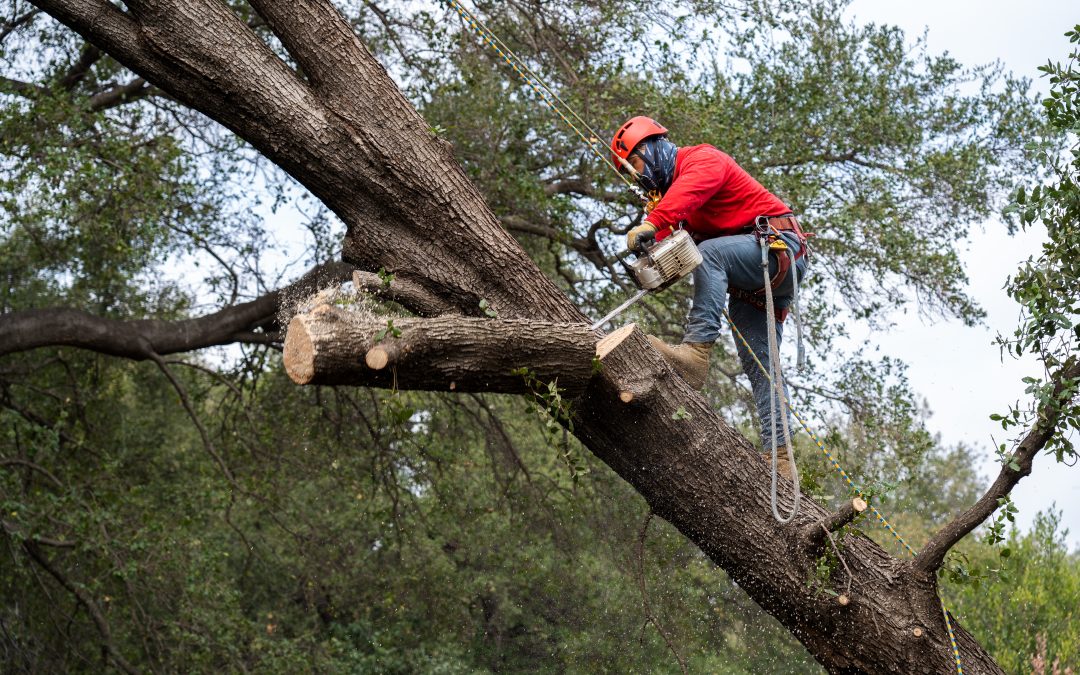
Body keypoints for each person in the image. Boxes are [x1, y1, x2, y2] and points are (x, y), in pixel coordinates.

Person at [610, 116, 809, 461]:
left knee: (710, 253)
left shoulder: (702, 159)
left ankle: (696, 355)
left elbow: (688, 195)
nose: (637, 176)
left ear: (650, 148)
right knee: (761, 365)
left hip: (779, 251)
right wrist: (646, 257)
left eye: (636, 165)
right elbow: (664, 235)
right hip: (754, 284)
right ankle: (780, 457)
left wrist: (652, 222)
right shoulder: (670, 203)